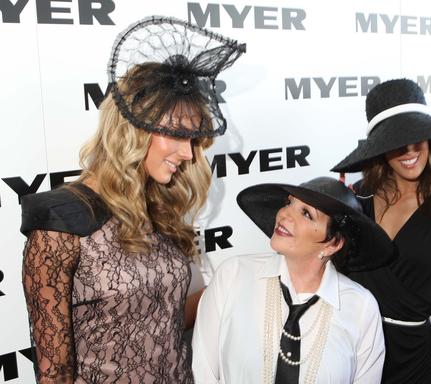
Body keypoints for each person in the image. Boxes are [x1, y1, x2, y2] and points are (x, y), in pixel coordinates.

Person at [20, 16, 245, 383]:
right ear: (135, 128)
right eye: (178, 135)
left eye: (194, 140)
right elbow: (54, 373)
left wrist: (234, 287)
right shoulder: (62, 222)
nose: (189, 154)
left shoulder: (159, 208)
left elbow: (159, 317)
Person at [330, 78, 431, 384]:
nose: (410, 150)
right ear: (380, 148)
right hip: (350, 351)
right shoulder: (355, 199)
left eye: (418, 137)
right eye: (397, 141)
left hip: (413, 360)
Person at [192, 176, 396, 384]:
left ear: (333, 243)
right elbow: (203, 372)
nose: (285, 214)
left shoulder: (361, 308)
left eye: (306, 214)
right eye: (289, 203)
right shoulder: (232, 276)